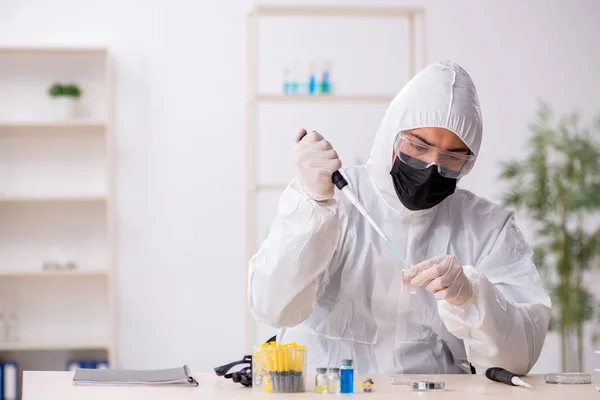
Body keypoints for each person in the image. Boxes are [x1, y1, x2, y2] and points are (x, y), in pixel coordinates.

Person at [248, 60, 551, 375]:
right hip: (326, 387)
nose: (433, 166)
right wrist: (311, 207)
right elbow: (270, 306)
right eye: (419, 146)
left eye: (452, 157)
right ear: (392, 134)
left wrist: (472, 297)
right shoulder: (333, 197)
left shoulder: (487, 228)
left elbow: (518, 358)